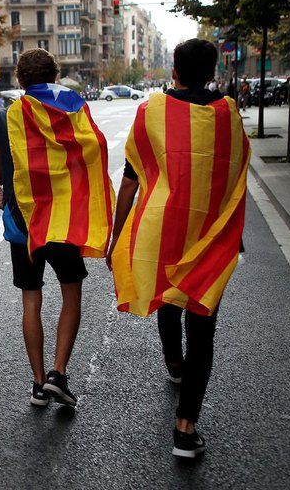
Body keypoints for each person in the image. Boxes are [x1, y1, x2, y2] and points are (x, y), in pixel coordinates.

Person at [106, 39, 250, 460]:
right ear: (212, 72)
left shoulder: (151, 111)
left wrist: (118, 236)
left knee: (168, 296)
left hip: (161, 229)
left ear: (173, 71)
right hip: (209, 233)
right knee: (202, 325)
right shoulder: (228, 114)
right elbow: (235, 173)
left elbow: (130, 179)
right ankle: (186, 429)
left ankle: (173, 363)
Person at [0, 48, 114, 408]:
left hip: (23, 223)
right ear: (55, 77)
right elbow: (94, 153)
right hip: (63, 222)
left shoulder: (7, 116)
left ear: (20, 79)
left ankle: (38, 383)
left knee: (31, 300)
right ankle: (59, 373)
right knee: (71, 295)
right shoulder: (74, 110)